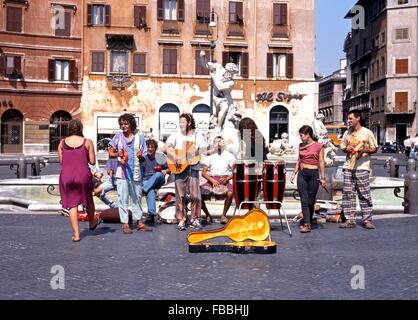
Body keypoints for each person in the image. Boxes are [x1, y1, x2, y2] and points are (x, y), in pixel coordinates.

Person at [58, 119, 101, 242]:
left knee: (72, 205)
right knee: (88, 200)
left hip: (66, 176)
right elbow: (92, 162)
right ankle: (92, 223)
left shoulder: (62, 143)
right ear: (81, 129)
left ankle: (76, 235)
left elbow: (62, 161)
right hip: (82, 175)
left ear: (69, 129)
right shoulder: (87, 142)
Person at [108, 113, 151, 234]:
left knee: (136, 197)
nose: (123, 126)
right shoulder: (117, 137)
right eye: (121, 124)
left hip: (136, 172)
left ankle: (139, 221)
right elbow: (110, 153)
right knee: (123, 198)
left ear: (131, 124)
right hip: (122, 172)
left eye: (126, 123)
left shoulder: (140, 137)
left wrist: (141, 156)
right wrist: (118, 154)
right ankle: (125, 223)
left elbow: (144, 157)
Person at [163, 113, 207, 231]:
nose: (180, 123)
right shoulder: (176, 135)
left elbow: (204, 150)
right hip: (179, 168)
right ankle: (181, 219)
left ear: (189, 123)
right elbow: (165, 148)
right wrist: (175, 155)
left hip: (194, 167)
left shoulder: (198, 136)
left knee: (195, 196)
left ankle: (194, 219)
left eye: (183, 121)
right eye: (180, 121)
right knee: (180, 195)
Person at [339, 111, 378, 229]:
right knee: (347, 194)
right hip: (348, 167)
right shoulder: (347, 133)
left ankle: (367, 219)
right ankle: (350, 220)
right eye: (348, 119)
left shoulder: (367, 132)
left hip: (362, 167)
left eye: (350, 118)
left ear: (358, 118)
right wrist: (347, 148)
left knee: (364, 194)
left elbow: (375, 148)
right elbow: (342, 147)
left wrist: (365, 150)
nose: (348, 121)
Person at [290, 125, 326, 233]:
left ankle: (308, 220)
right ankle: (307, 223)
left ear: (308, 135)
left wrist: (322, 177)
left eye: (301, 135)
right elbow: (298, 160)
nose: (300, 138)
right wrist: (293, 173)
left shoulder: (319, 146)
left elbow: (321, 162)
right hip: (302, 174)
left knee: (311, 200)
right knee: (304, 199)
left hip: (314, 174)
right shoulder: (301, 145)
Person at [201, 135, 236, 224]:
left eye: (220, 141)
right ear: (214, 144)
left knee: (230, 193)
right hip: (212, 179)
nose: (219, 143)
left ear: (223, 143)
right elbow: (204, 172)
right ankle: (208, 215)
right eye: (216, 142)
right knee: (198, 194)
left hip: (225, 178)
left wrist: (227, 178)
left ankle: (223, 215)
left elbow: (234, 171)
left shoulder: (229, 156)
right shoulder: (209, 156)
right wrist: (212, 180)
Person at [142, 139, 170, 225]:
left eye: (152, 147)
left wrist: (165, 171)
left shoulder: (160, 157)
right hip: (147, 180)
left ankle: (144, 189)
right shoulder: (143, 157)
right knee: (150, 190)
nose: (150, 149)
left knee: (158, 174)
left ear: (155, 148)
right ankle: (151, 215)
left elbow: (170, 168)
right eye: (148, 147)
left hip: (158, 179)